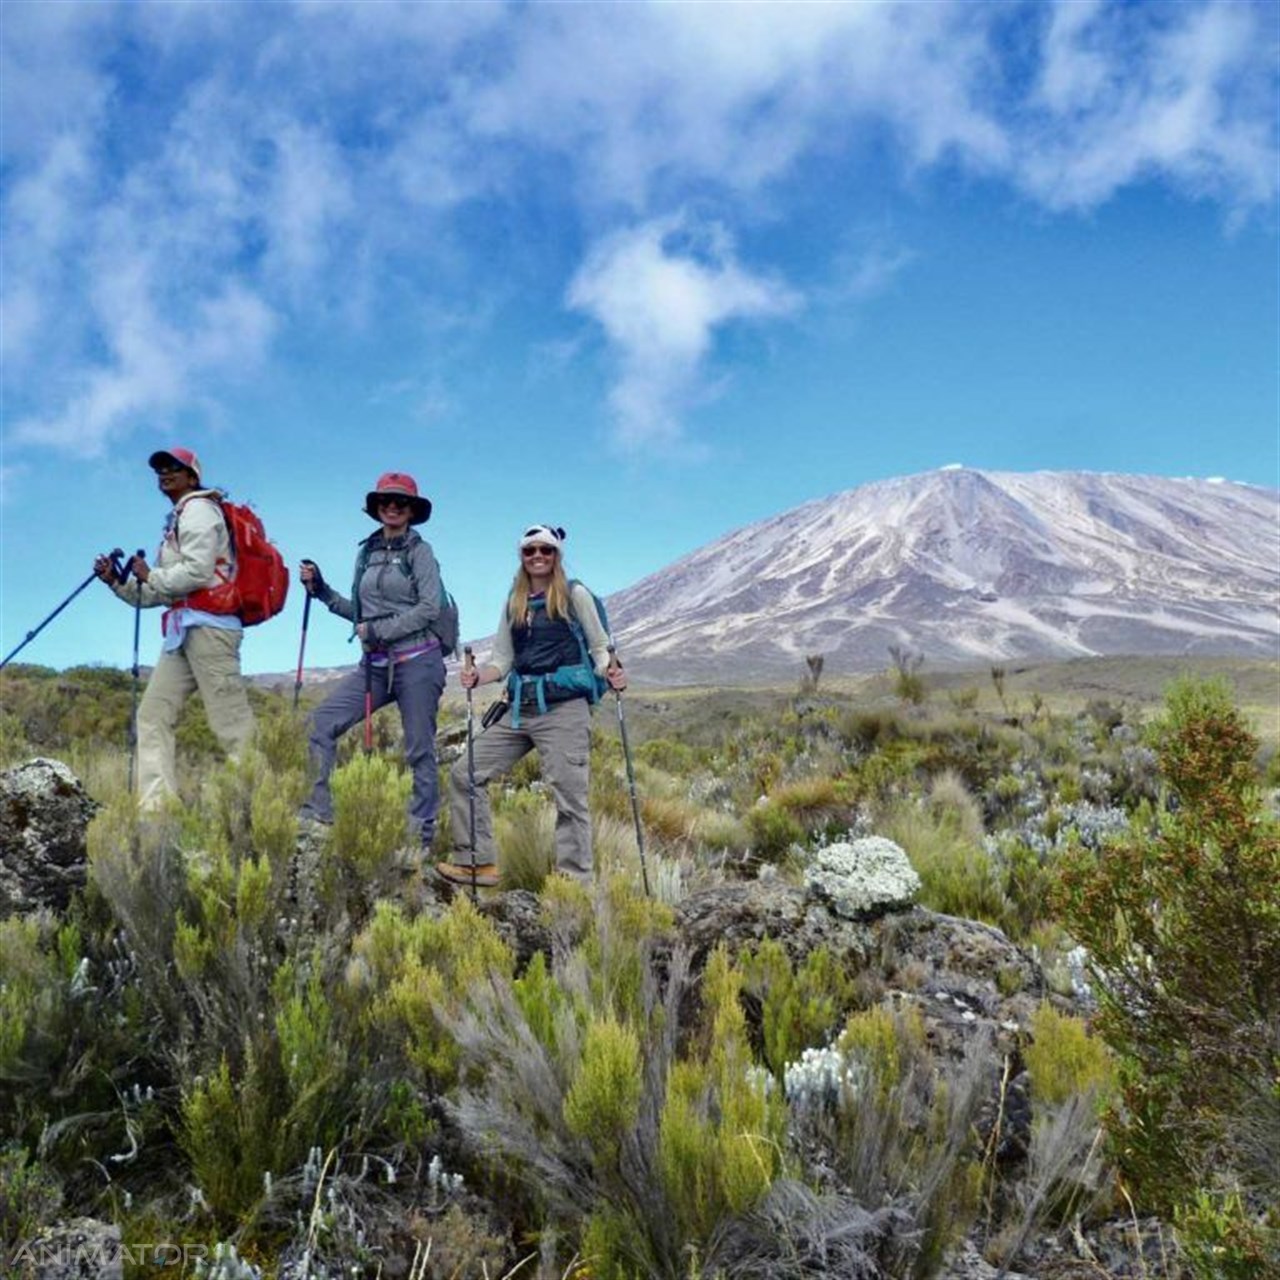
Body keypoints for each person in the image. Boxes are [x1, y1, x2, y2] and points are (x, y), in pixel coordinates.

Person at [437, 523, 625, 888]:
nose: (538, 556)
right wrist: (479, 677)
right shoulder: (514, 602)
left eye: (546, 550)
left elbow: (600, 647)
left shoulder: (575, 595)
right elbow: (503, 660)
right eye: (530, 551)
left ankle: (575, 889)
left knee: (570, 800)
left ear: (557, 556)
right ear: (521, 557)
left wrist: (612, 672)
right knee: (465, 772)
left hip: (564, 709)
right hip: (520, 709)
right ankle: (477, 863)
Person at [93, 447, 255, 810]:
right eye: (160, 469)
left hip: (211, 629)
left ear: (192, 477)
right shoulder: (178, 518)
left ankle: (254, 807)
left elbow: (197, 572)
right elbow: (158, 593)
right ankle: (156, 811)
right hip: (184, 630)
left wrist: (151, 574)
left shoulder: (199, 509)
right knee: (152, 715)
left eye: (173, 468)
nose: (165, 473)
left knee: (230, 723)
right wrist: (117, 583)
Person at [298, 472, 447, 850]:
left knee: (418, 749)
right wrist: (322, 591)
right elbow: (360, 614)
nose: (392, 507)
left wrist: (379, 631)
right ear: (377, 508)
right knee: (319, 724)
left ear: (412, 510)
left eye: (400, 502)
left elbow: (429, 609)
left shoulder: (420, 552)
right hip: (375, 666)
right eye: (385, 501)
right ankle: (318, 813)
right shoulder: (366, 553)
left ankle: (420, 839)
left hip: (418, 661)